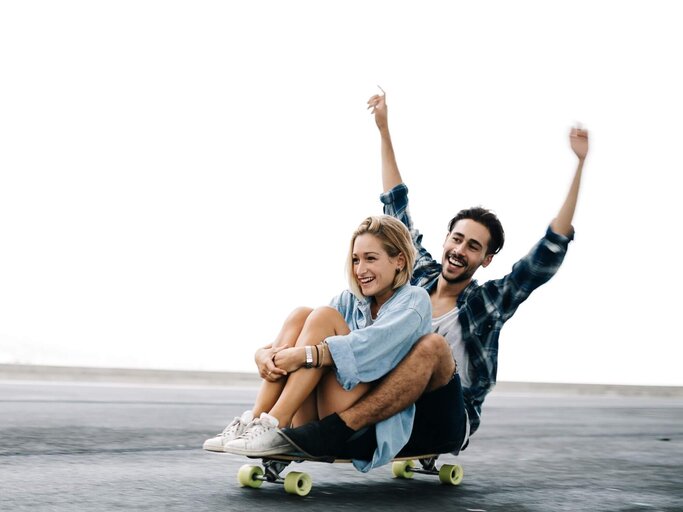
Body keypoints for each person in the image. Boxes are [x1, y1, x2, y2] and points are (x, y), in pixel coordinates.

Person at [277, 90, 589, 462]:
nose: (460, 250)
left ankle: (333, 432)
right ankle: (274, 426)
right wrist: (384, 129)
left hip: (444, 417)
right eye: (456, 239)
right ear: (445, 240)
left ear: (486, 260)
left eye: (473, 246)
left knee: (432, 347)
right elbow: (396, 207)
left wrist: (579, 166)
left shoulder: (488, 303)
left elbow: (546, 253)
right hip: (388, 401)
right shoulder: (415, 278)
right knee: (314, 316)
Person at [202, 215, 433, 470]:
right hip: (324, 408)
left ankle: (275, 423)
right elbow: (306, 333)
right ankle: (254, 421)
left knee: (324, 316)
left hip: (366, 421)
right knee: (301, 314)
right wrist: (263, 355)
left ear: (399, 260)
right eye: (356, 259)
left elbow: (368, 348)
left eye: (370, 258)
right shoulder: (350, 300)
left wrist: (305, 356)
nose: (360, 270)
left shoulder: (414, 301)